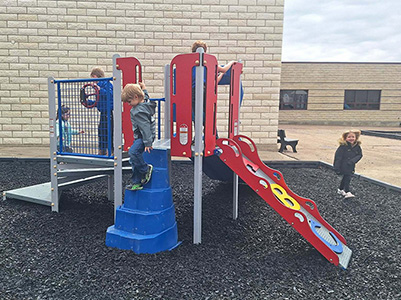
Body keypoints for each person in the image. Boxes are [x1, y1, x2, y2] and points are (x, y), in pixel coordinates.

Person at [121, 82, 155, 191]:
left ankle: (145, 169)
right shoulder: (145, 103)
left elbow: (145, 127)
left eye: (129, 101)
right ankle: (136, 182)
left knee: (133, 153)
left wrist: (147, 143)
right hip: (145, 136)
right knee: (133, 159)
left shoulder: (138, 111)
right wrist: (144, 88)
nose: (128, 104)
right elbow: (146, 96)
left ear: (136, 97)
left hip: (143, 137)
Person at [90, 67, 114, 156]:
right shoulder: (99, 86)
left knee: (108, 131)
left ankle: (110, 151)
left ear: (95, 76)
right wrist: (89, 102)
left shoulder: (106, 84)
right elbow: (99, 101)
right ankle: (102, 150)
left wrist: (99, 89)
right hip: (103, 112)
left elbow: (110, 95)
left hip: (108, 112)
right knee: (101, 131)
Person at [333, 130, 363, 199]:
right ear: (345, 138)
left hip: (351, 165)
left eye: (353, 137)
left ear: (356, 138)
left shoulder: (357, 146)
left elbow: (360, 155)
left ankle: (340, 189)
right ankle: (347, 191)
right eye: (349, 137)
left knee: (346, 177)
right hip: (343, 165)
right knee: (347, 178)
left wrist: (353, 161)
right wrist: (336, 167)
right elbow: (338, 157)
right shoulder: (343, 146)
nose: (351, 138)